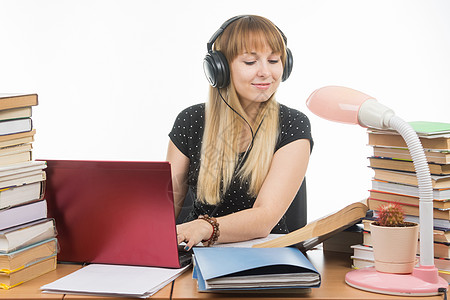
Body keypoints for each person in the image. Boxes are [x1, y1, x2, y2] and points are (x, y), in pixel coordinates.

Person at [167, 15, 313, 251]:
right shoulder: (191, 121)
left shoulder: (293, 125)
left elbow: (265, 218)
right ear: (219, 68)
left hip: (268, 261)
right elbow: (164, 209)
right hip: (199, 258)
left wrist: (205, 227)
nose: (266, 72)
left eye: (274, 60)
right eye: (250, 62)